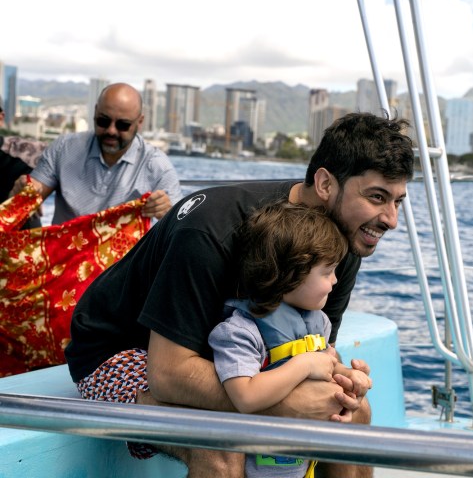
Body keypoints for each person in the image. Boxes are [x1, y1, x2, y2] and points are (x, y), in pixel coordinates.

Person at [64, 111, 415, 477]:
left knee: (354, 417)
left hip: (234, 358)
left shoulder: (341, 244)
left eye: (398, 202)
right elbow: (167, 374)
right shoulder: (211, 229)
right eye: (377, 197)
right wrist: (283, 405)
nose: (390, 218)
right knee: (223, 447)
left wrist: (344, 380)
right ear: (326, 184)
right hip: (124, 352)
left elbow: (314, 345)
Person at [210, 201, 372, 477]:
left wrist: (348, 376)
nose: (335, 281)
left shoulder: (317, 322)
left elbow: (328, 365)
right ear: (289, 276)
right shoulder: (240, 332)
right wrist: (305, 365)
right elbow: (245, 396)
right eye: (327, 272)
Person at [12, 82, 182, 224]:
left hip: (125, 263)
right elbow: (33, 191)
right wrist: (24, 191)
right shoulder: (63, 148)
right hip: (63, 259)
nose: (111, 131)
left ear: (140, 122)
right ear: (94, 113)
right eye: (103, 121)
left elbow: (178, 227)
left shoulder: (158, 166)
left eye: (122, 125)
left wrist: (165, 211)